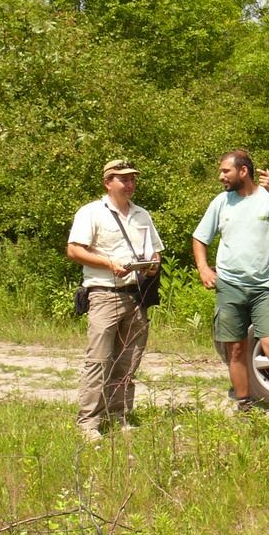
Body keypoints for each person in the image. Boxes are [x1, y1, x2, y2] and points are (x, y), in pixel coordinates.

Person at [192, 149, 269, 433]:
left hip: (264, 288)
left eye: (225, 171)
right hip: (230, 286)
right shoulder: (221, 202)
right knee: (235, 349)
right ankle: (244, 407)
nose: (221, 177)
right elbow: (199, 237)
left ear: (242, 171)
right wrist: (204, 268)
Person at [66, 159, 164, 442]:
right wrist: (110, 263)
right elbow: (74, 250)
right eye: (124, 179)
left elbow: (154, 252)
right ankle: (88, 423)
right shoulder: (91, 213)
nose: (131, 184)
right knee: (98, 360)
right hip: (104, 294)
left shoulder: (142, 215)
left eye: (133, 179)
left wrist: (152, 265)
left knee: (128, 360)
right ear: (108, 182)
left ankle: (118, 415)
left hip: (136, 294)